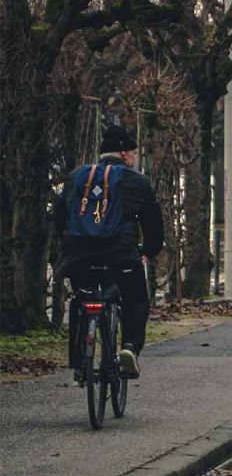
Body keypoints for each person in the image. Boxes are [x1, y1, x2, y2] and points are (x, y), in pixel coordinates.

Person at [54, 125, 164, 381]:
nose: (134, 157)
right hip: (120, 256)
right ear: (124, 154)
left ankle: (80, 360)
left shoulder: (76, 177)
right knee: (136, 299)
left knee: (82, 297)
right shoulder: (136, 181)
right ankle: (129, 348)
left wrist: (67, 248)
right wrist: (148, 251)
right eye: (133, 153)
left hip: (80, 257)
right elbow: (153, 225)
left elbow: (59, 217)